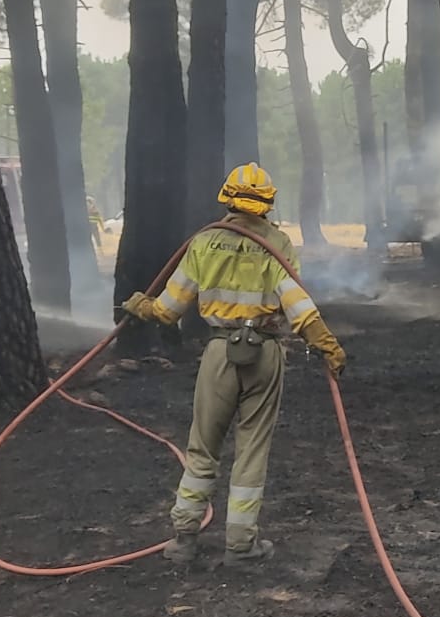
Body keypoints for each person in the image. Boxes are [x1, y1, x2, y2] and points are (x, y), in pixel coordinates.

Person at [121, 163, 347, 566]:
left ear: (226, 198)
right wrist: (326, 346)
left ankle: (184, 539)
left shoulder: (204, 242)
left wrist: (142, 306)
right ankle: (241, 544)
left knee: (202, 446)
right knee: (252, 448)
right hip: (265, 354)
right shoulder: (277, 244)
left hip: (219, 353)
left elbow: (169, 309)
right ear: (267, 204)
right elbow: (298, 306)